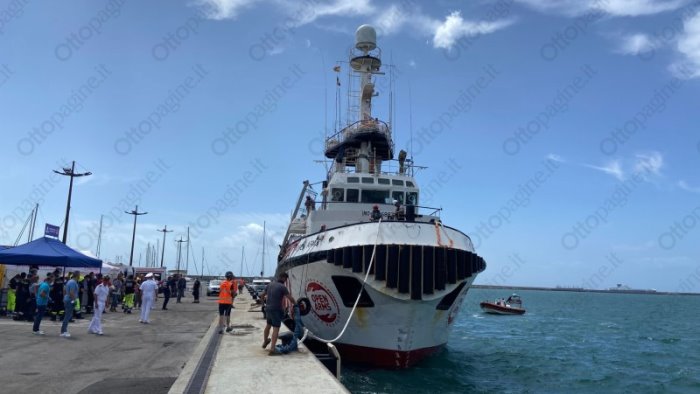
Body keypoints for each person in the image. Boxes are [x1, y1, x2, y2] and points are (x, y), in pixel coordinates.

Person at [262, 272, 296, 355]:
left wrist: (263, 304)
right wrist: (296, 304)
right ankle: (272, 349)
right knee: (276, 328)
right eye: (286, 279)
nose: (286, 280)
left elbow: (262, 295)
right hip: (276, 310)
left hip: (268, 309)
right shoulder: (282, 287)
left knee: (268, 325)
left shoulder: (270, 285)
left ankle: (265, 340)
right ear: (283, 278)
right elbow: (290, 298)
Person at [61, 271, 80, 338]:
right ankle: (63, 331)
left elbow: (65, 290)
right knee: (67, 316)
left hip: (68, 299)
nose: (79, 276)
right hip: (70, 300)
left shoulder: (70, 281)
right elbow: (71, 292)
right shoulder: (73, 282)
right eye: (79, 274)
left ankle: (64, 331)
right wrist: (74, 300)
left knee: (68, 315)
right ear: (77, 275)